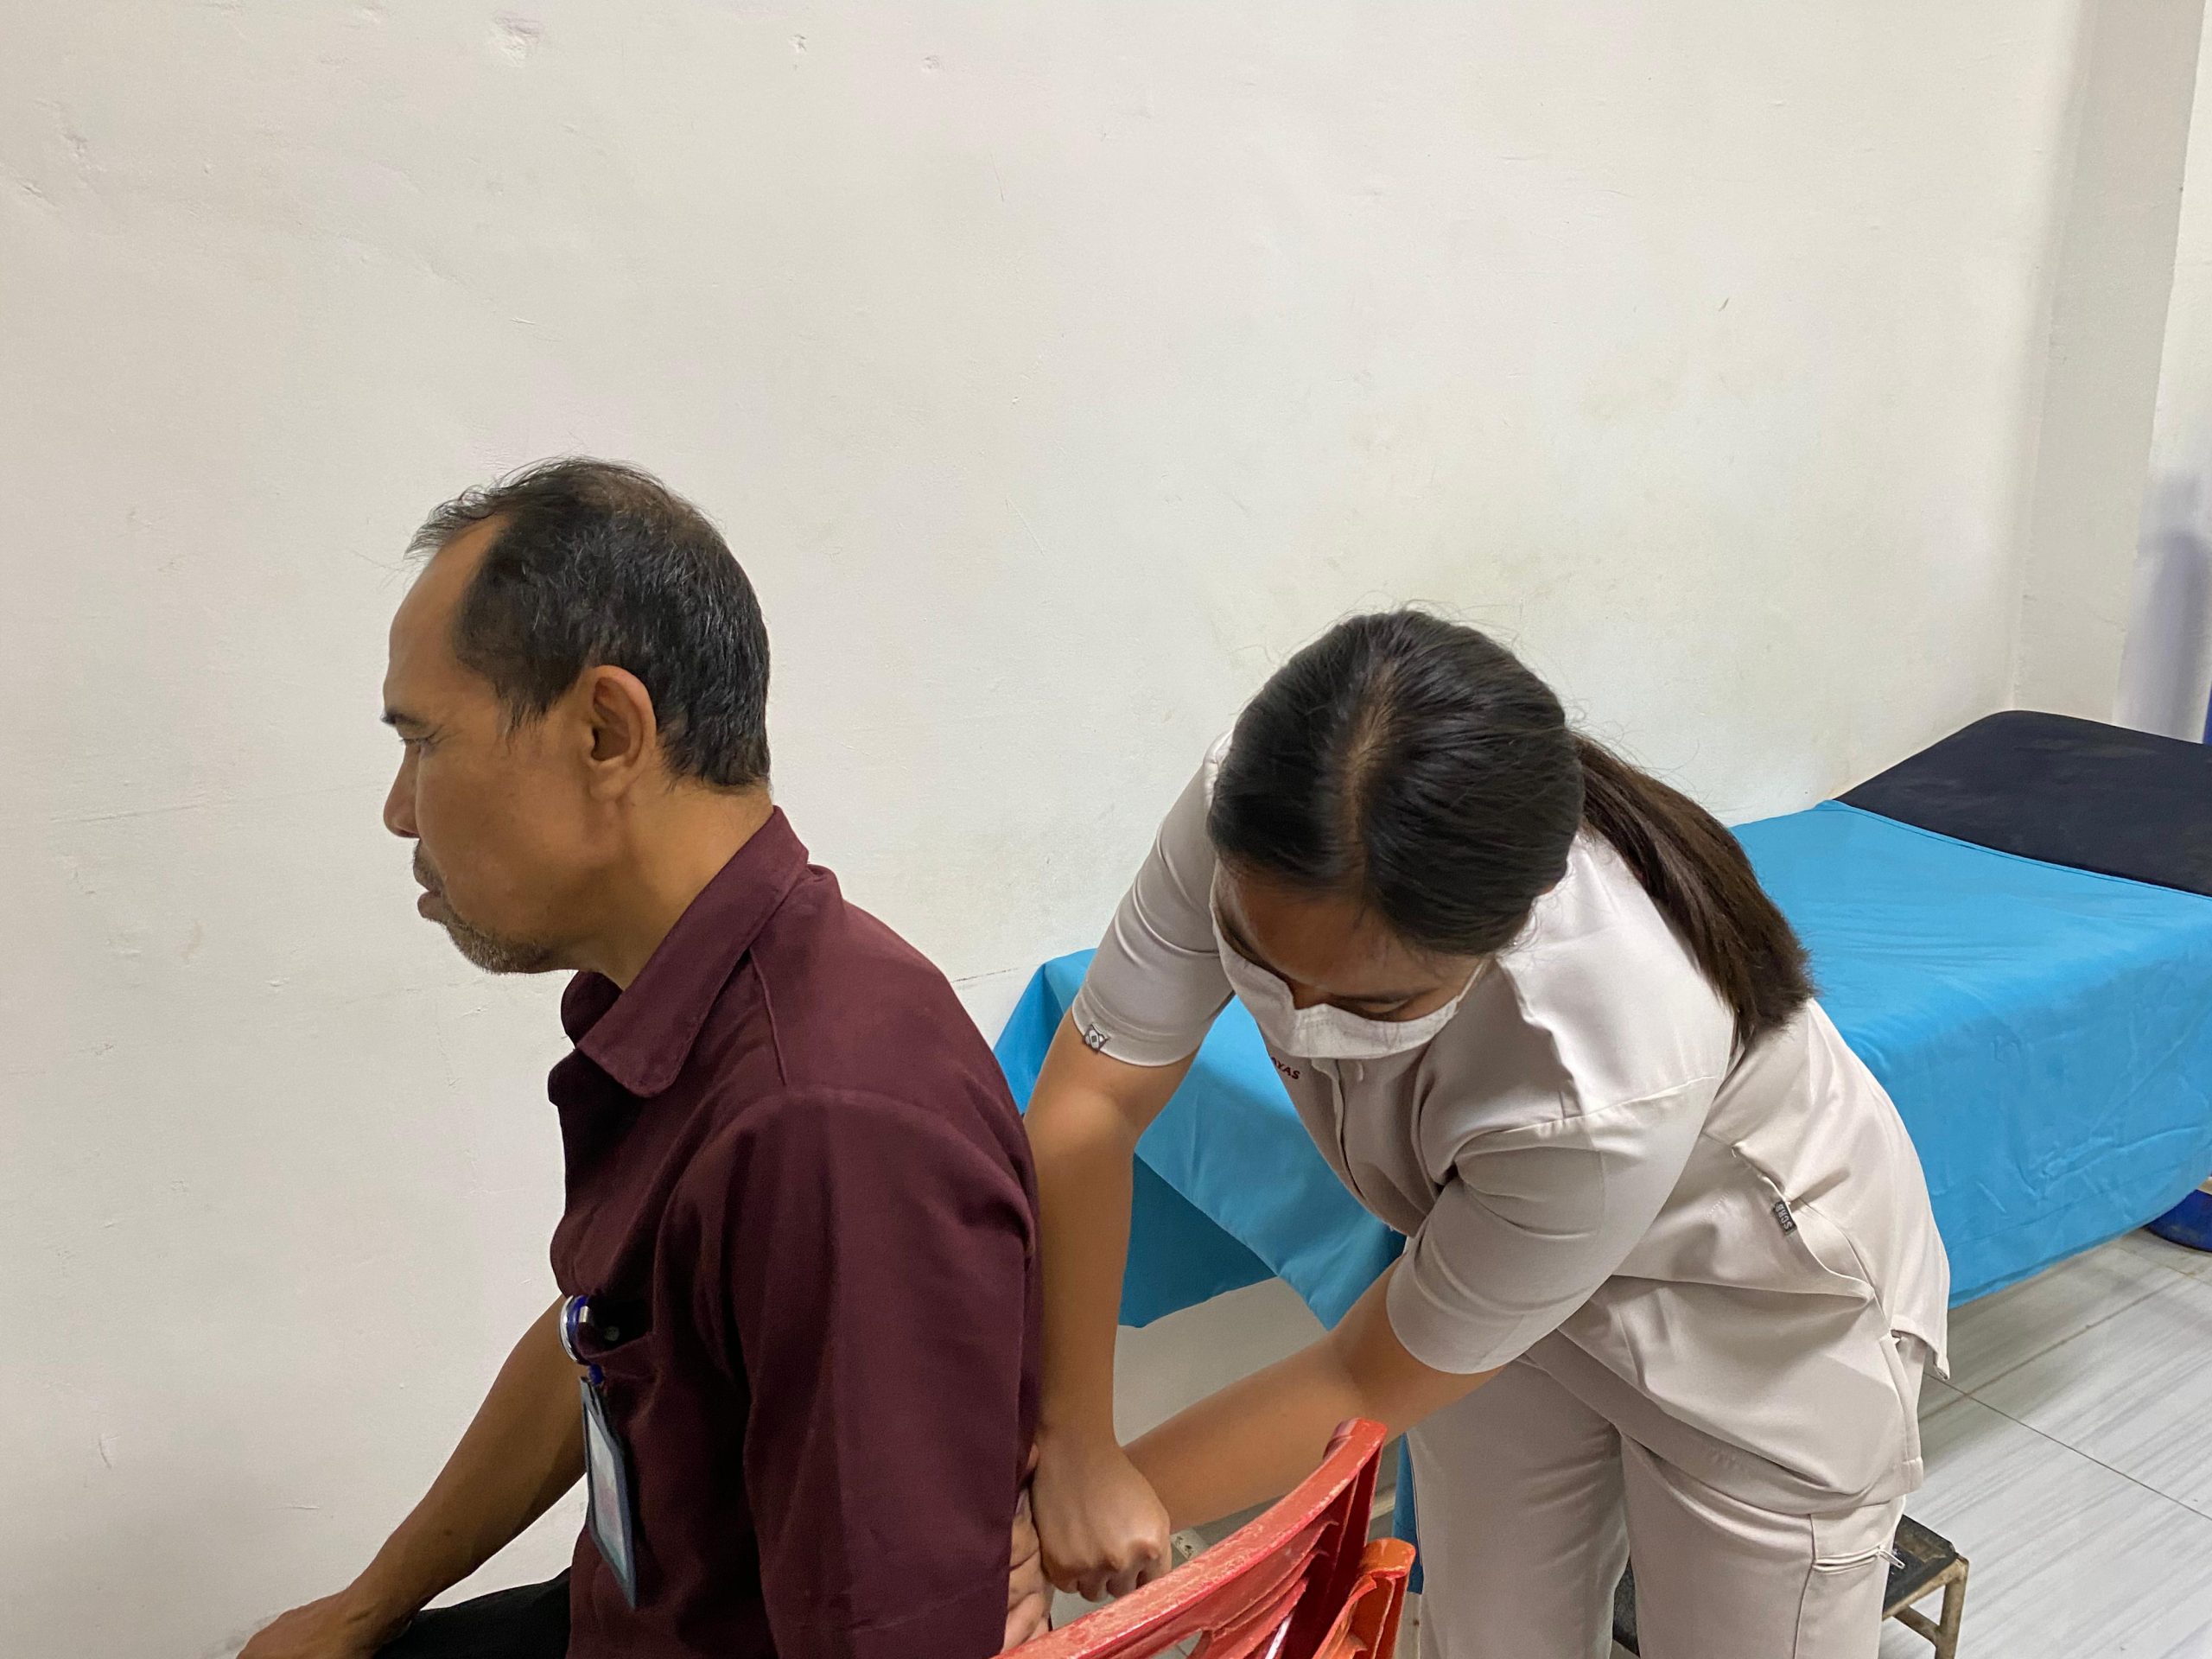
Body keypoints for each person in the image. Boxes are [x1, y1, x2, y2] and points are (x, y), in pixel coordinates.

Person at [1025, 611, 1950, 1659]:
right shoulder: (1257, 803)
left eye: (1374, 1005)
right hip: (1485, 1267)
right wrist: (1072, 1442)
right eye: (1254, 959)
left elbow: (1359, 1381)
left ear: (1508, 930)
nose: (1296, 1022)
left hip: (1750, 1329)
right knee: (1483, 1635)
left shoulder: (1603, 1064)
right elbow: (1090, 1103)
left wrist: (1099, 1498)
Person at [242, 460, 1050, 1659]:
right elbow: (601, 1335)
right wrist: (361, 1615)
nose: (400, 811)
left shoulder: (822, 1126)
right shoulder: (693, 1007)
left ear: (606, 732)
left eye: (424, 742)